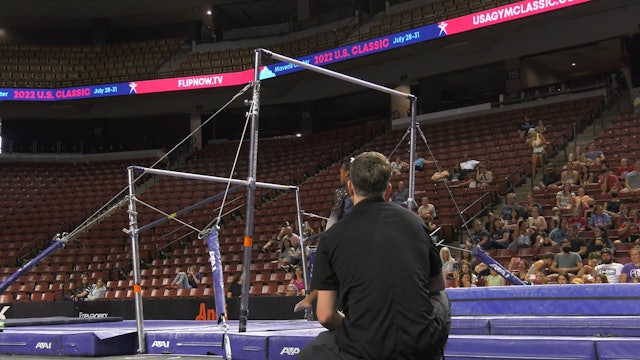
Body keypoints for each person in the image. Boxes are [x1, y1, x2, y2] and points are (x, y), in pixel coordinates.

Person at [299, 151, 450, 360]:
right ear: (388, 190)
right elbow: (438, 284)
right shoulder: (415, 222)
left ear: (350, 187)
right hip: (421, 342)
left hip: (365, 348)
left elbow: (325, 315)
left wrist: (355, 327)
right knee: (441, 298)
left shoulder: (331, 237)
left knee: (312, 351)